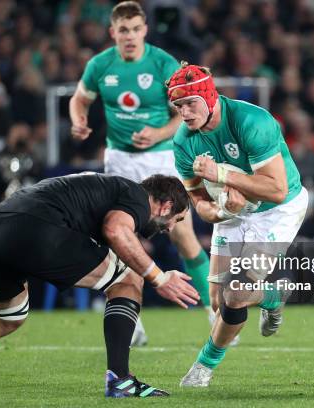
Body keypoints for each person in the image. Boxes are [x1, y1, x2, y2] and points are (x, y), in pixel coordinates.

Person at [0, 173, 199, 398]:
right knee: (129, 277)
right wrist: (159, 278)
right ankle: (120, 380)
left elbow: (47, 212)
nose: (171, 228)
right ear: (165, 205)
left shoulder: (101, 188)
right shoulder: (134, 195)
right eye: (177, 219)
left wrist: (11, 262)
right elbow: (115, 230)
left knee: (6, 319)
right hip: (34, 231)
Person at [69, 1, 211, 346]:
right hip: (119, 161)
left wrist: (158, 133)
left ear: (144, 30)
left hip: (161, 158)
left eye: (135, 29)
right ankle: (131, 323)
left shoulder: (162, 62)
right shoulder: (100, 65)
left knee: (182, 236)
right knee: (119, 239)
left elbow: (187, 112)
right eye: (123, 31)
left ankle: (215, 311)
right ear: (112, 32)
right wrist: (78, 119)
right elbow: (79, 98)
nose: (130, 36)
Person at [167, 62, 308, 387]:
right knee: (218, 301)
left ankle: (202, 369)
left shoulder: (251, 121)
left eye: (190, 103)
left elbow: (277, 188)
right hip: (233, 213)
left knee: (237, 294)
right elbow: (200, 203)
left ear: (209, 96)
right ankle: (273, 295)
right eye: (178, 106)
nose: (185, 113)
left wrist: (223, 175)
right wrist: (221, 213)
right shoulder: (183, 142)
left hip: (278, 210)